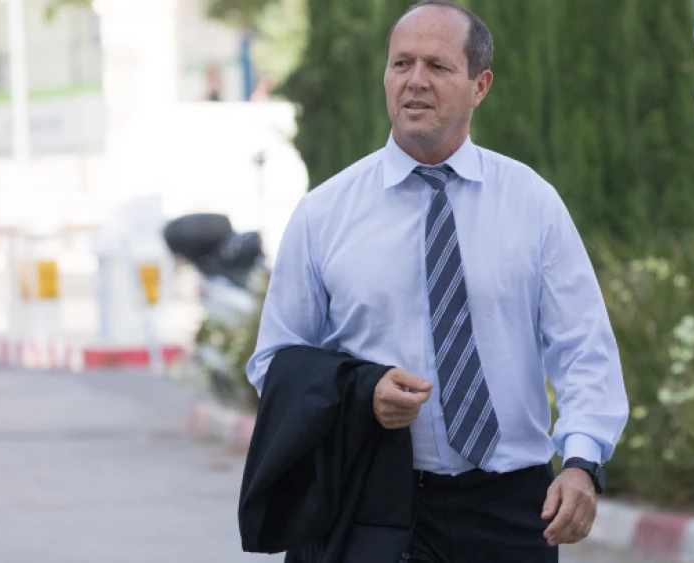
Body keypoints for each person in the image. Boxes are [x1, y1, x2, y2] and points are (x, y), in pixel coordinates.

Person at [245, 1, 629, 562]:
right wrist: (360, 392)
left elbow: (584, 349)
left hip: (511, 509)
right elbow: (273, 361)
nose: (415, 82)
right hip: (371, 502)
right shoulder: (324, 214)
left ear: (480, 85)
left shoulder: (531, 203)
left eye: (438, 66)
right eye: (401, 64)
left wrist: (581, 463)